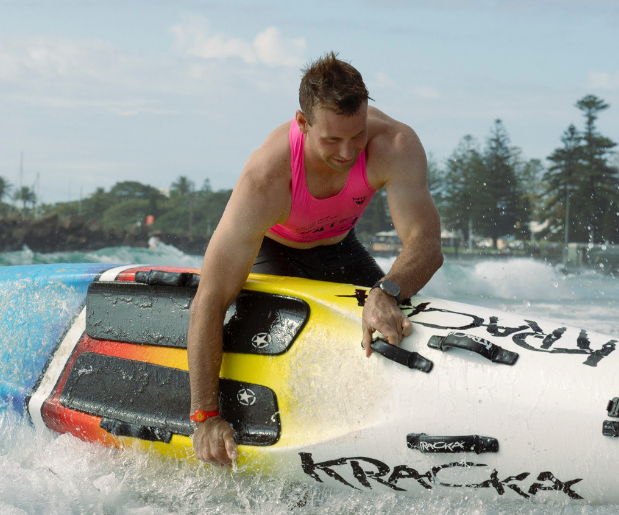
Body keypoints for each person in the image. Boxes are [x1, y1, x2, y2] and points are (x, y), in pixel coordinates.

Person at [188, 52, 444, 467]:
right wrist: (205, 416)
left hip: (341, 249)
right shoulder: (266, 179)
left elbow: (427, 244)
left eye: (356, 135)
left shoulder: (394, 145)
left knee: (395, 330)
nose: (347, 152)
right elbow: (210, 298)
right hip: (274, 255)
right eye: (332, 140)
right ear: (303, 123)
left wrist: (387, 291)